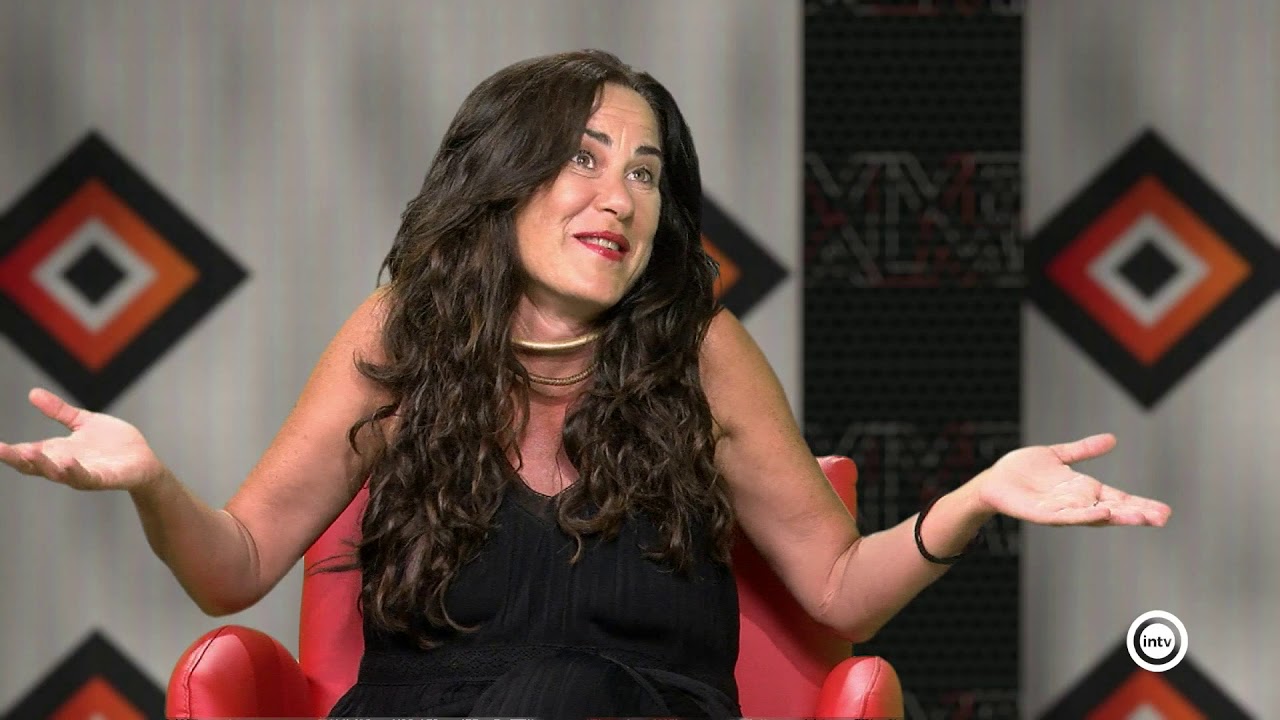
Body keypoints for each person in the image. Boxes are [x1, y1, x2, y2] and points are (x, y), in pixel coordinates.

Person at [0, 50, 1170, 719]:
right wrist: (151, 483)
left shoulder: (696, 350)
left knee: (563, 692)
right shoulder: (402, 337)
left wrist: (969, 499)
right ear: (502, 180)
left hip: (634, 714)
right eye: (582, 159)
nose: (619, 197)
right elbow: (236, 567)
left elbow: (834, 590)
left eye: (646, 174)